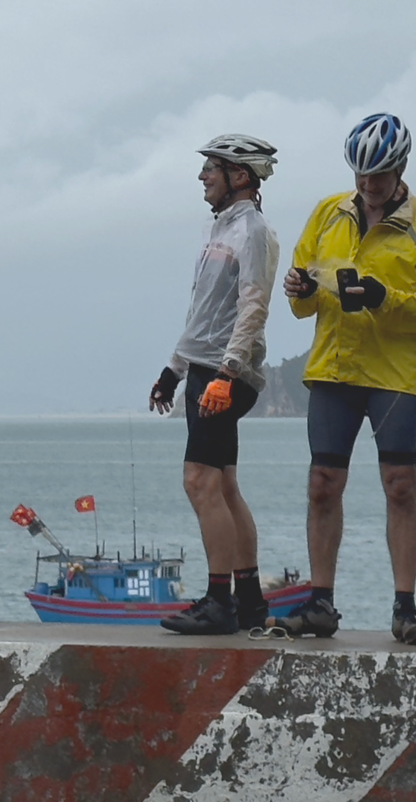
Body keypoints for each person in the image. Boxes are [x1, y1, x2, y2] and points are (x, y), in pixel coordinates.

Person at [272, 113, 416, 644]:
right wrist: (301, 288)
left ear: (401, 169)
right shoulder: (328, 212)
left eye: (378, 174)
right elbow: (301, 304)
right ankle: (320, 603)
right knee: (322, 484)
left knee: (400, 484)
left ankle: (405, 607)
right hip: (334, 366)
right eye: (360, 173)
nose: (368, 184)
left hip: (394, 375)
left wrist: (383, 298)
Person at [149, 134, 282, 635]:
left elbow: (254, 306)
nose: (202, 176)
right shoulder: (221, 229)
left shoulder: (251, 231)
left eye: (212, 167)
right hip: (206, 367)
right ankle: (249, 602)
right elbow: (203, 312)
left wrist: (226, 374)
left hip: (224, 372)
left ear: (239, 176)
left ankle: (218, 602)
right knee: (223, 484)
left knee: (198, 481)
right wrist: (174, 369)